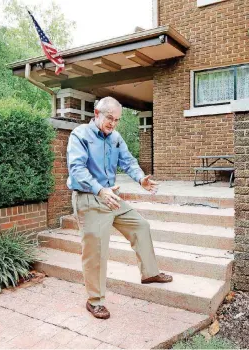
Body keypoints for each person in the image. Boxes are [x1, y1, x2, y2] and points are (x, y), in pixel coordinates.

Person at [66, 96, 172, 320]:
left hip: (110, 197)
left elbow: (128, 161)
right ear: (96, 114)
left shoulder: (114, 137)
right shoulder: (80, 135)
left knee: (140, 226)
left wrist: (141, 178)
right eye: (109, 118)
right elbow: (77, 169)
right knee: (96, 251)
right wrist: (100, 190)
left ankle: (149, 273)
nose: (113, 123)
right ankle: (95, 301)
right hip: (89, 198)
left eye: (117, 120)